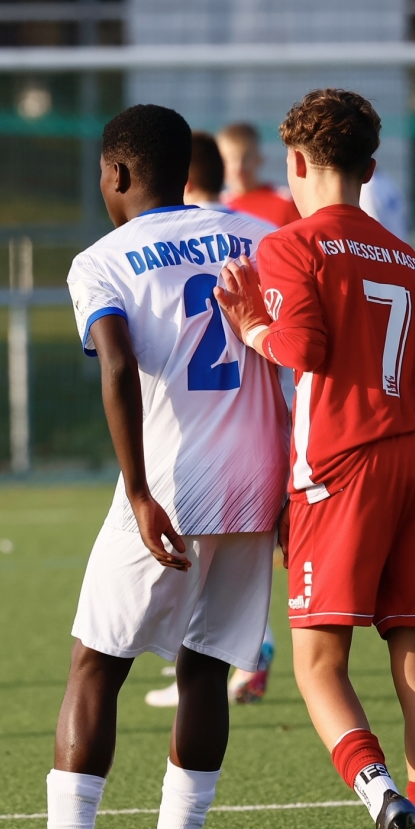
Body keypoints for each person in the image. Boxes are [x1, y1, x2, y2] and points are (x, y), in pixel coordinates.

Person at [12, 104, 289, 829]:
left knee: (95, 665)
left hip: (168, 483)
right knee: (205, 669)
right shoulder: (256, 235)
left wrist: (137, 490)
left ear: (119, 173)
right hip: (254, 484)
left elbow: (117, 361)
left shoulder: (101, 259)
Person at [215, 89, 415, 829]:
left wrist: (251, 323)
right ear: (369, 166)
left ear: (294, 163)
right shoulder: (413, 262)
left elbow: (303, 347)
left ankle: (382, 800)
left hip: (341, 468)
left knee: (318, 664)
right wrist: (414, 439)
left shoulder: (291, 244)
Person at [144, 130, 279, 710]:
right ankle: (244, 653)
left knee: (184, 578)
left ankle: (249, 652)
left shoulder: (157, 240)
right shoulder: (255, 232)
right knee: (231, 577)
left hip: (188, 440)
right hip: (258, 435)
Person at [217, 122, 300, 228]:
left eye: (246, 158)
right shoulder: (216, 207)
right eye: (229, 159)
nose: (238, 167)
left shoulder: (286, 202)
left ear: (259, 158)